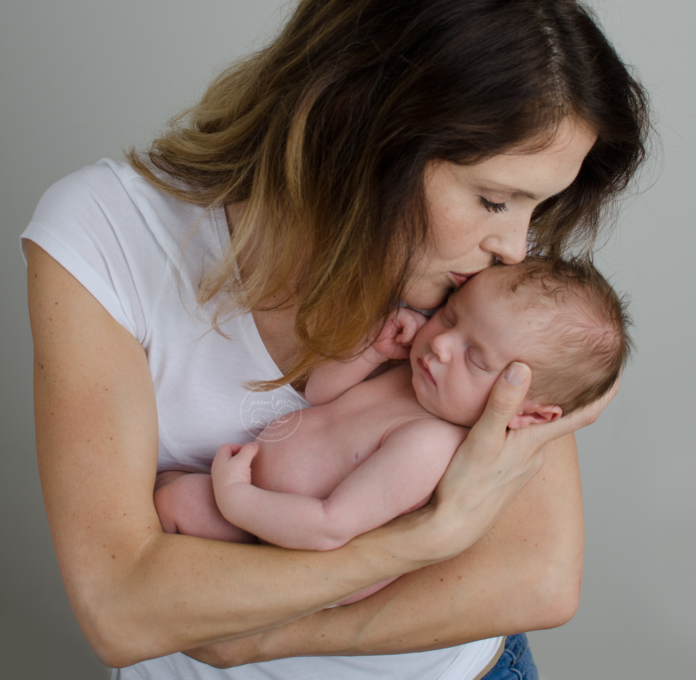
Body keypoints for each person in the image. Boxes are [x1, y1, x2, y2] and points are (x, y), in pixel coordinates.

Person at [23, 1, 650, 679]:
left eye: (536, 207)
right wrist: (418, 541)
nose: (515, 247)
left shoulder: (480, 281)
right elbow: (122, 609)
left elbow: (536, 577)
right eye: (494, 200)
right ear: (358, 121)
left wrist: (257, 638)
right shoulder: (105, 236)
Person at [155, 257, 632, 608]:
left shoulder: (429, 445)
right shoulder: (413, 374)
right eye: (451, 315)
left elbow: (330, 524)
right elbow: (318, 395)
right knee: (171, 496)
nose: (442, 344)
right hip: (262, 503)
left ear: (528, 413)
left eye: (476, 358)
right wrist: (372, 352)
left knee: (176, 505)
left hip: (289, 545)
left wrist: (236, 497)